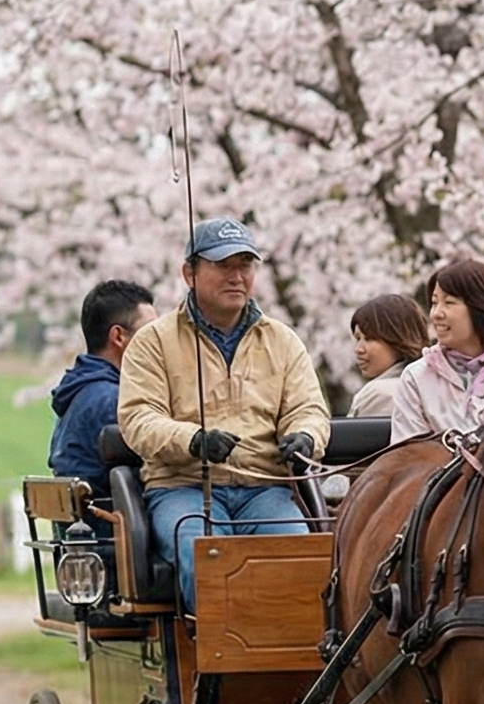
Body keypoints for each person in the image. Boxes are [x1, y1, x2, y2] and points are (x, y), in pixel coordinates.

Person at [116, 218, 333, 606]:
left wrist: (306, 436)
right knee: (203, 553)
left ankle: (300, 664)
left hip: (264, 488)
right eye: (223, 266)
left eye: (245, 266)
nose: (237, 276)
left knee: (299, 554)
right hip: (183, 487)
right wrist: (193, 440)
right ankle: (215, 662)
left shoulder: (283, 340)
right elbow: (138, 418)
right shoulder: (153, 342)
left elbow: (309, 409)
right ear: (189, 273)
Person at [387, 258, 484, 439]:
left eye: (448, 303)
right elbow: (406, 458)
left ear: (482, 308)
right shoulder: (417, 377)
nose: (436, 314)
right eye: (434, 303)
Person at [48, 279, 155, 483]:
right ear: (118, 336)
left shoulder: (80, 390)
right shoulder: (111, 400)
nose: (160, 341)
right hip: (110, 513)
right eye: (151, 332)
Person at [347, 292, 428, 418]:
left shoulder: (381, 393)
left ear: (397, 340)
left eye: (369, 339)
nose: (358, 349)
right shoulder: (430, 385)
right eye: (358, 339)